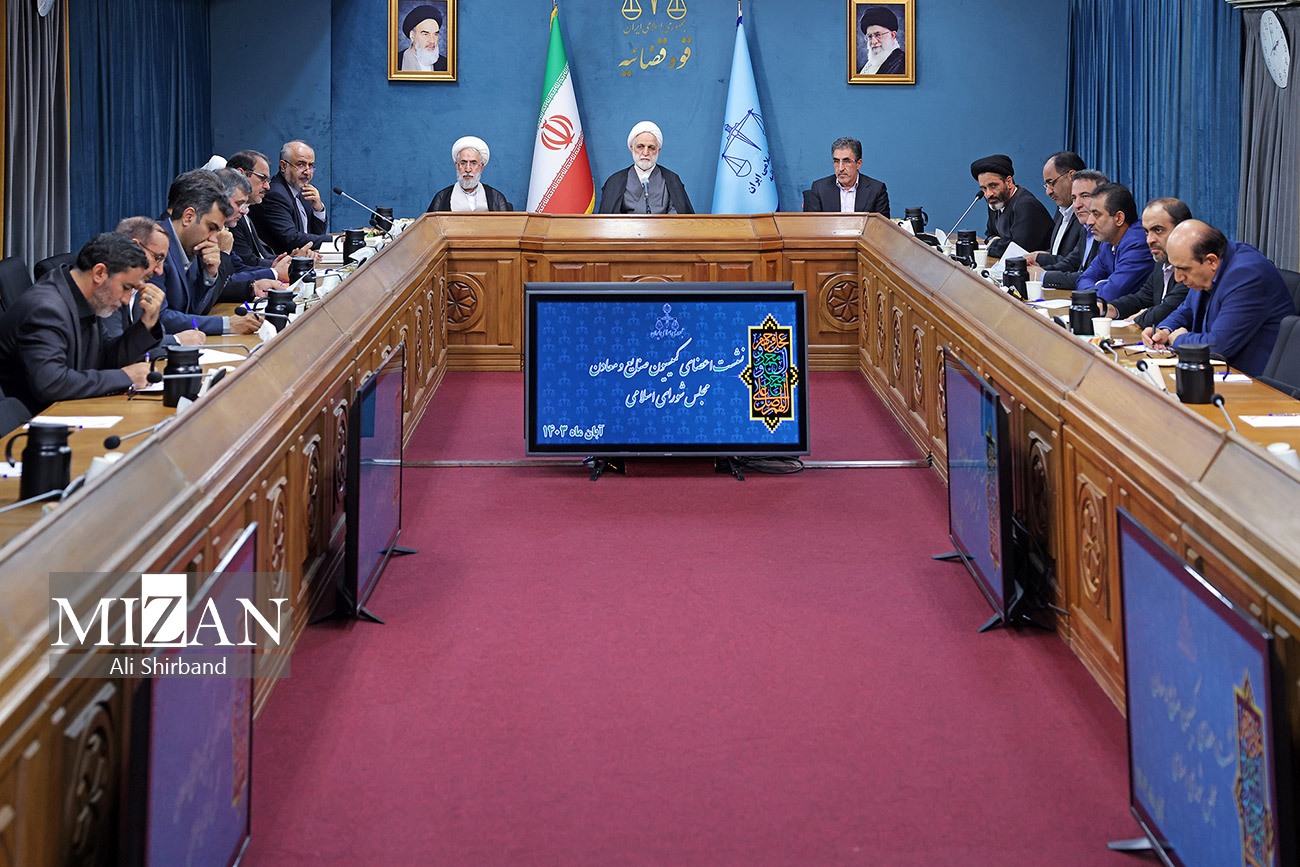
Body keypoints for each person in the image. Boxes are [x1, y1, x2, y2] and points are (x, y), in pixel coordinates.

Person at [0, 233, 160, 414]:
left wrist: (147, 323)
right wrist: (125, 377)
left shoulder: (83, 296)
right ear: (99, 273)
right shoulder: (45, 309)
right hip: (33, 420)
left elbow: (106, 357)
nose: (126, 300)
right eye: (126, 287)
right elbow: (51, 384)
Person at [1143, 220, 1295, 377]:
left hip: (1256, 381)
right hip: (1220, 372)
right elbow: (1186, 309)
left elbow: (1218, 346)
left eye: (1183, 269)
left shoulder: (1247, 275)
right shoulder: (1204, 265)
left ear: (1211, 261)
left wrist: (1178, 339)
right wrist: (1164, 330)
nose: (1178, 277)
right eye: (1175, 267)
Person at [154, 170, 260, 337]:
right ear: (188, 217)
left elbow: (195, 309)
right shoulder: (154, 246)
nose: (214, 239)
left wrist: (209, 275)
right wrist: (226, 324)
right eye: (211, 228)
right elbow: (160, 318)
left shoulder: (193, 246)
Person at [102, 216, 205, 350]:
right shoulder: (108, 284)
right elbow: (117, 350)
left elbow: (155, 336)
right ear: (136, 247)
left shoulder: (140, 288)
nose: (159, 271)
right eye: (157, 258)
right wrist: (178, 340)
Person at [1105, 198, 1192, 329]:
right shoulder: (1161, 262)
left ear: (1182, 230)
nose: (1149, 240)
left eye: (1158, 230)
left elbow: (1168, 310)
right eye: (1146, 232)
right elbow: (1142, 298)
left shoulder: (1192, 266)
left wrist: (1142, 317)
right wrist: (1110, 308)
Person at [227, 149, 312, 270]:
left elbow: (260, 255)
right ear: (241, 174)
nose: (267, 186)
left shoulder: (245, 211)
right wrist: (289, 263)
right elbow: (246, 263)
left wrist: (291, 259)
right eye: (262, 178)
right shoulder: (231, 216)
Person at [249, 140, 334, 253]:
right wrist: (335, 240)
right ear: (283, 166)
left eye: (311, 165)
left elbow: (315, 236)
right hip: (281, 260)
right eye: (300, 164)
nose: (307, 171)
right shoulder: (275, 194)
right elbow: (292, 239)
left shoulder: (302, 192)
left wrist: (318, 209)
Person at [1076, 182, 1153, 303]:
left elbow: (1109, 295)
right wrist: (1102, 286)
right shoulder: (1108, 243)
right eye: (1090, 213)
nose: (1089, 221)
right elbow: (1084, 278)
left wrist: (1098, 285)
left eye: (1096, 214)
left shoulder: (1139, 244)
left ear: (1119, 218)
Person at [597, 121, 695, 215]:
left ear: (658, 150)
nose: (645, 152)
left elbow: (678, 218)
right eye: (640, 146)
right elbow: (609, 220)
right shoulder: (615, 181)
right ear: (631, 148)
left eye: (651, 147)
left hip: (665, 227)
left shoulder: (672, 180)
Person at [970, 154, 1053, 259]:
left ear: (1009, 182)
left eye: (993, 185)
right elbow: (990, 234)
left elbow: (1015, 250)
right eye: (984, 188)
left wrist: (993, 245)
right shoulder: (996, 201)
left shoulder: (1025, 205)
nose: (988, 194)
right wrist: (997, 243)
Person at [1040, 169, 1108, 290]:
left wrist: (1043, 276)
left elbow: (1093, 277)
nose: (1077, 205)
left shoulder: (1108, 234)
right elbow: (1072, 263)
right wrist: (1036, 271)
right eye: (1074, 198)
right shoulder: (1085, 229)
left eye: (1085, 196)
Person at [1025, 152, 1086, 267]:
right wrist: (1042, 255)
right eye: (1046, 185)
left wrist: (1040, 258)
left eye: (1051, 183)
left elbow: (1077, 264)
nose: (1048, 192)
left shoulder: (1087, 216)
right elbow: (1058, 253)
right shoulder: (1061, 211)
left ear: (1072, 176)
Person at [803, 137, 890, 216]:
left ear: (858, 164)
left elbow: (882, 227)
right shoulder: (819, 189)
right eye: (836, 161)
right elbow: (812, 226)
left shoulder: (876, 190)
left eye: (846, 161)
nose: (840, 168)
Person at [426, 136, 513, 212]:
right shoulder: (442, 198)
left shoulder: (496, 197)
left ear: (481, 167)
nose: (468, 169)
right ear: (457, 166)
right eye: (463, 163)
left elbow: (506, 224)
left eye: (473, 163)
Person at [398, 4, 447, 72]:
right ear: (412, 36)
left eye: (435, 34)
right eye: (425, 34)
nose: (432, 41)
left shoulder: (445, 64)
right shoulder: (396, 62)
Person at [858, 6, 905, 75]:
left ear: (893, 35)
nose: (873, 42)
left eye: (878, 35)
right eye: (870, 36)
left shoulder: (904, 63)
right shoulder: (866, 66)